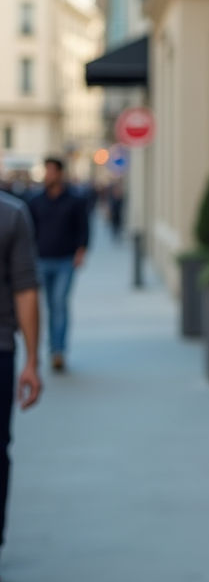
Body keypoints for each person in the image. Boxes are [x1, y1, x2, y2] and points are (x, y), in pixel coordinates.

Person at [0, 191, 42, 555]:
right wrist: (32, 361)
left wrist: (31, 361)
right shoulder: (12, 213)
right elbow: (25, 289)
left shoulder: (11, 215)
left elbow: (26, 288)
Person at [26, 157, 89, 372]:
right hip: (40, 259)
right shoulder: (35, 201)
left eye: (52, 171)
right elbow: (28, 231)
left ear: (60, 174)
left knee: (59, 303)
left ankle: (58, 350)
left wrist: (81, 250)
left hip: (65, 260)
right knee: (44, 305)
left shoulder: (74, 200)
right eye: (46, 171)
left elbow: (84, 228)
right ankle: (46, 347)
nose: (48, 175)